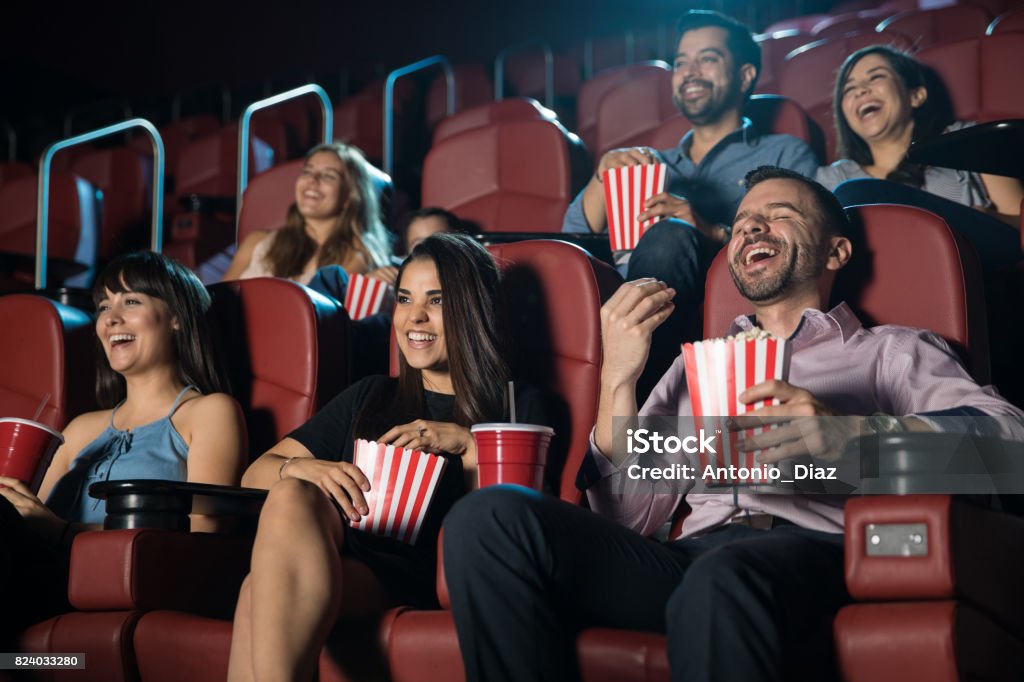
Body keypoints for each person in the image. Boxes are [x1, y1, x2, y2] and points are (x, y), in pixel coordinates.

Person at [443, 167, 1024, 682]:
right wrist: (618, 379)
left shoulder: (890, 353)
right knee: (489, 517)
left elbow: (1008, 452)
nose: (752, 228)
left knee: (723, 577)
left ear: (835, 253)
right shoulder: (695, 367)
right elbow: (627, 515)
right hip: (691, 559)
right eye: (744, 221)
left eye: (780, 215)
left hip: (820, 551)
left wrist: (853, 439)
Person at [226, 233, 545, 682]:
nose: (415, 316)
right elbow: (252, 477)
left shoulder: (514, 407)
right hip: (346, 566)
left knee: (260, 586)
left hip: (423, 578)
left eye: (437, 300)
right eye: (404, 298)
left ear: (473, 308)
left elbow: (511, 524)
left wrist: (468, 444)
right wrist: (301, 467)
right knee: (287, 504)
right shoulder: (371, 395)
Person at [563, 10, 819, 399]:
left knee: (667, 238)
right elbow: (572, 237)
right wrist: (603, 175)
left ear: (745, 75)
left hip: (730, 282)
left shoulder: (783, 152)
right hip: (622, 294)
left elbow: (805, 236)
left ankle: (648, 396)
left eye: (708, 59)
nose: (689, 71)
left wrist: (708, 229)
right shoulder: (653, 162)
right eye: (680, 62)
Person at [0, 250, 246, 645]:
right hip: (34, 578)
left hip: (118, 582)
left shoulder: (208, 413)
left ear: (178, 318)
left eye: (131, 302)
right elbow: (28, 526)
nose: (110, 319)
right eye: (102, 306)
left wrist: (63, 532)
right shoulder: (80, 429)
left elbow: (204, 534)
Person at [817, 45, 1023, 225]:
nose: (860, 91)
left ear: (915, 96)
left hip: (981, 260)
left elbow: (1019, 224)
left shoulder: (969, 139)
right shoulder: (833, 179)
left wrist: (985, 218)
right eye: (849, 88)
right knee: (852, 193)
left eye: (876, 77)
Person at [222, 142, 397, 285]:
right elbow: (217, 300)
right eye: (307, 171)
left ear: (350, 195)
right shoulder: (257, 241)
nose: (312, 180)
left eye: (328, 176)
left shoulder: (359, 255)